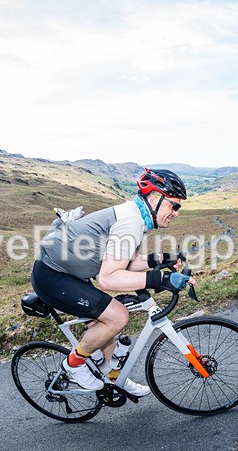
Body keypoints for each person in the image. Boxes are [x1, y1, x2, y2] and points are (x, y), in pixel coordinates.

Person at [31, 168, 193, 396]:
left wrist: (164, 260)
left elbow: (125, 263)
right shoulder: (130, 222)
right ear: (155, 199)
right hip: (52, 276)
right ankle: (73, 366)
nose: (176, 212)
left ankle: (115, 378)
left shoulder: (136, 216)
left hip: (70, 273)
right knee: (117, 316)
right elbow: (108, 278)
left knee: (107, 329)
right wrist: (162, 278)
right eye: (174, 205)